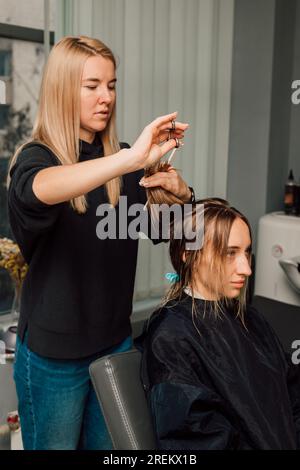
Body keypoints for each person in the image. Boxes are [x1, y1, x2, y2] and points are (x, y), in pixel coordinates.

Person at [7, 35, 193, 450]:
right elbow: (38, 190)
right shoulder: (36, 159)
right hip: (53, 361)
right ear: (62, 89)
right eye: (91, 86)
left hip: (115, 345)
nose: (105, 97)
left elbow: (167, 232)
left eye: (111, 85)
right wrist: (130, 160)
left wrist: (183, 197)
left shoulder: (124, 160)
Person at [138, 198, 300, 450]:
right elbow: (196, 439)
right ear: (189, 254)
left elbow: (292, 393)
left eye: (246, 251)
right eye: (230, 253)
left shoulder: (250, 318)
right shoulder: (172, 338)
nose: (246, 268)